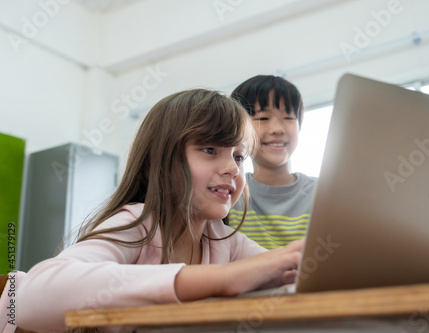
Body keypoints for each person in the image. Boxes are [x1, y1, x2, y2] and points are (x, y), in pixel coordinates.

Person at [13, 89, 302, 333]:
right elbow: (28, 297)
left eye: (239, 156)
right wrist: (224, 279)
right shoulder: (137, 223)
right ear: (156, 164)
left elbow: (294, 276)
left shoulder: (225, 240)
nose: (232, 168)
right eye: (210, 150)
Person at [227, 75, 318, 249]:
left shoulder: (325, 194)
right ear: (238, 128)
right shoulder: (228, 195)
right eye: (263, 118)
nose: (277, 129)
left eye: (289, 118)